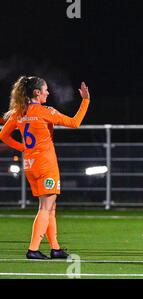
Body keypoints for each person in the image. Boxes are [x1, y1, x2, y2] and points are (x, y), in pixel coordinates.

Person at [0, 76, 90, 260]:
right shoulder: (45, 111)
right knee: (45, 208)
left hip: (30, 165)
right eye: (45, 89)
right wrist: (86, 100)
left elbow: (3, 135)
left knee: (51, 207)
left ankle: (55, 248)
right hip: (45, 165)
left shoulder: (19, 112)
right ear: (37, 92)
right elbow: (75, 122)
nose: (48, 92)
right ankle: (33, 249)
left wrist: (23, 148)